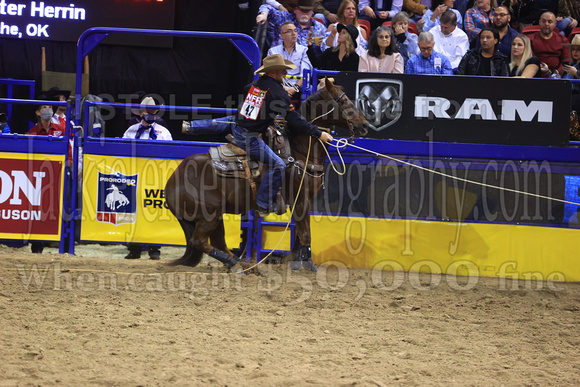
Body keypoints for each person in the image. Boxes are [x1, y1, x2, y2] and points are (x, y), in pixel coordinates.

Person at [232, 54, 333, 215]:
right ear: (273, 73)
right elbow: (294, 120)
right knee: (278, 165)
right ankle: (263, 203)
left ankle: (193, 126)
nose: (286, 73)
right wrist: (319, 134)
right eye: (283, 71)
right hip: (249, 136)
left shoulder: (257, 85)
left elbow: (248, 94)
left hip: (240, 127)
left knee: (225, 121)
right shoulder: (278, 93)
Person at [123, 106, 173, 260]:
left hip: (155, 177)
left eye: (152, 112)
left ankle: (154, 248)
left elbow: (170, 152)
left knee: (154, 210)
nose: (150, 114)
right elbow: (122, 150)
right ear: (140, 113)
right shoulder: (131, 130)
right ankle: (134, 248)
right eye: (147, 112)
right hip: (135, 176)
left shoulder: (163, 132)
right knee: (134, 210)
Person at [268, 21, 313, 102]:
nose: (294, 33)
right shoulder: (273, 52)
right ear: (282, 36)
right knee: (268, 87)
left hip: (299, 85)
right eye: (289, 31)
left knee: (309, 89)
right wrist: (284, 88)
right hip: (279, 84)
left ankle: (302, 114)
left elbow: (306, 73)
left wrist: (295, 88)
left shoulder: (304, 50)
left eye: (295, 31)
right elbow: (272, 73)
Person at [257, 0, 327, 51]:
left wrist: (323, 43)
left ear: (312, 12)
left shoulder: (320, 28)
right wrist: (263, 14)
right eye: (302, 10)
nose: (305, 13)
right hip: (279, 61)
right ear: (296, 10)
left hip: (305, 65)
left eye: (308, 11)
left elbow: (328, 46)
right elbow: (266, 7)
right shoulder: (284, 18)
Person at [530, 11, 570, 77]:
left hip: (557, 75)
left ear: (555, 24)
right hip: (535, 75)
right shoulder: (531, 39)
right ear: (539, 22)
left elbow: (566, 60)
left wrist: (555, 73)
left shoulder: (562, 40)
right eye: (543, 21)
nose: (546, 24)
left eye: (550, 22)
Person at [562, 34, 580, 110]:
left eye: (579, 49)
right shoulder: (569, 65)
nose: (575, 52)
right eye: (573, 49)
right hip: (565, 93)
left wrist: (576, 73)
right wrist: (548, 72)